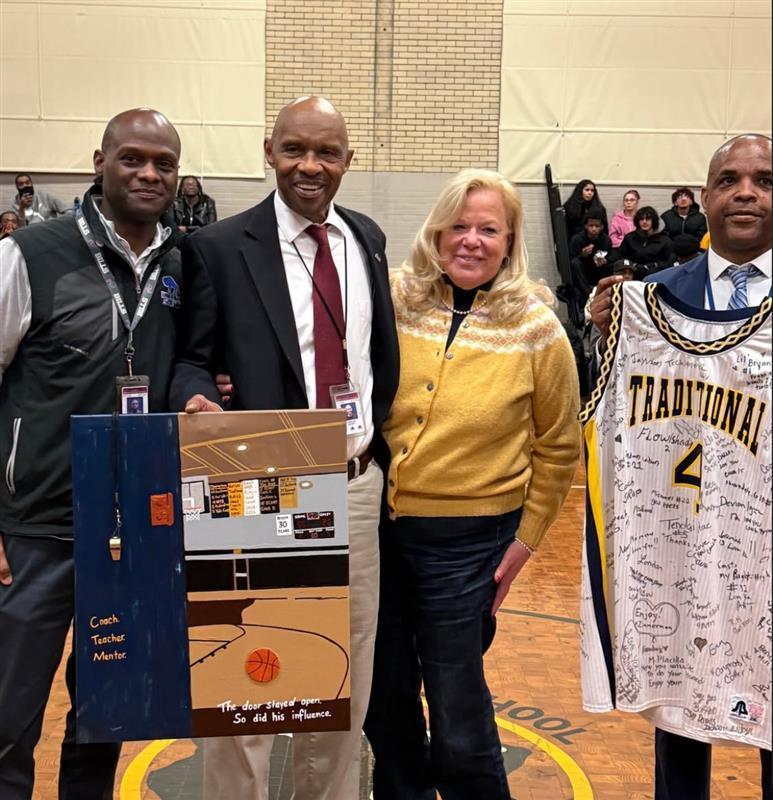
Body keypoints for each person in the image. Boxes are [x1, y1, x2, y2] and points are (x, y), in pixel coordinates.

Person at [169, 95, 399, 800]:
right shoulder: (216, 247)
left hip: (354, 481)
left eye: (326, 152)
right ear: (268, 152)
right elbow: (188, 359)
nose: (310, 165)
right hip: (254, 481)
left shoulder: (367, 238)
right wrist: (197, 396)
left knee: (341, 682)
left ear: (347, 162)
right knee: (247, 677)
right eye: (294, 149)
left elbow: (375, 360)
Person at [363, 169, 581, 799]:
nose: (471, 240)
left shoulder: (538, 330)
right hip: (378, 531)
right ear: (435, 231)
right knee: (386, 692)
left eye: (489, 228)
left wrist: (528, 540)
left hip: (469, 544)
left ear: (511, 241)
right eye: (458, 225)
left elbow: (559, 445)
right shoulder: (394, 296)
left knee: (457, 702)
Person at [0, 108, 182, 800]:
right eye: (132, 158)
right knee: (8, 718)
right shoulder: (31, 254)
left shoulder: (183, 262)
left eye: (163, 162)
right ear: (97, 162)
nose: (148, 173)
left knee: (105, 713)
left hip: (134, 531)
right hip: (34, 529)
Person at [590, 133, 772, 800]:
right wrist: (600, 321)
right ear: (704, 198)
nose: (745, 191)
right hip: (682, 545)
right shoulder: (653, 298)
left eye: (763, 179)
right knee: (679, 719)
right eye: (728, 179)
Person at [569, 211, 615, 303]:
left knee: (613, 265)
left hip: (599, 271)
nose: (594, 229)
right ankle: (589, 295)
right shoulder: (577, 239)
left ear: (602, 227)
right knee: (575, 263)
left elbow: (611, 256)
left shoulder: (606, 240)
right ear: (586, 226)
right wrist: (582, 255)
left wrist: (605, 261)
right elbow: (571, 259)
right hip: (584, 273)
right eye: (591, 226)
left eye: (597, 226)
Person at [617, 206, 674, 276]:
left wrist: (654, 266)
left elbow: (669, 261)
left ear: (654, 221)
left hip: (656, 275)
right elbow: (621, 257)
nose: (644, 222)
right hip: (634, 274)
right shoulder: (629, 238)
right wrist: (633, 265)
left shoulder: (665, 240)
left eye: (648, 219)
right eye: (641, 219)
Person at [660, 186, 707, 252]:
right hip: (672, 250)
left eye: (687, 197)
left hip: (693, 251)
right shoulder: (666, 216)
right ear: (675, 202)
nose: (683, 199)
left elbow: (701, 237)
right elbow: (664, 236)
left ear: (691, 202)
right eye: (680, 197)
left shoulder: (700, 217)